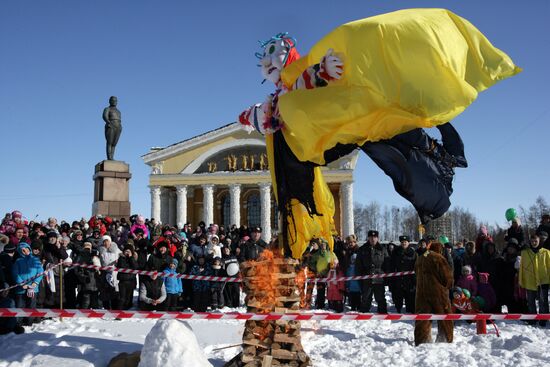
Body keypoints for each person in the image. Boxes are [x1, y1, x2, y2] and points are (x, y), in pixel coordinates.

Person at [414, 242, 454, 346]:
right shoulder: (438, 258)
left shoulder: (421, 257)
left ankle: (422, 340)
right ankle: (445, 338)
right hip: (437, 293)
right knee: (445, 315)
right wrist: (449, 285)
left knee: (423, 318)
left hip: (421, 293)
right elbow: (447, 277)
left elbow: (415, 273)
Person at [518, 233, 550, 326]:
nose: (534, 243)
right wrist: (521, 280)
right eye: (532, 241)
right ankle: (533, 318)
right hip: (530, 280)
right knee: (531, 301)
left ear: (539, 241)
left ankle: (543, 319)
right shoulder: (525, 253)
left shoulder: (546, 252)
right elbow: (522, 267)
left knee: (543, 301)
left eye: (536, 241)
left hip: (543, 280)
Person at [356, 230, 389, 313]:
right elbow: (358, 265)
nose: (373, 239)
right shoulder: (362, 249)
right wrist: (360, 278)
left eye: (374, 237)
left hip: (379, 279)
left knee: (380, 298)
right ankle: (363, 317)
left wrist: (386, 278)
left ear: (377, 238)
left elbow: (387, 264)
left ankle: (383, 316)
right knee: (365, 299)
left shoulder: (382, 249)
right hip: (366, 278)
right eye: (371, 237)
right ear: (368, 238)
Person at [12, 243, 44, 326]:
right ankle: (19, 323)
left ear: (29, 249)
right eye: (22, 250)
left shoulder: (36, 260)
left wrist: (35, 282)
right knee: (20, 305)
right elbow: (15, 273)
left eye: (26, 249)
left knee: (31, 305)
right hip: (21, 289)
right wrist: (21, 283)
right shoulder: (18, 261)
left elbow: (40, 272)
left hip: (33, 287)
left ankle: (29, 322)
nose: (25, 251)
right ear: (20, 251)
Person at [389, 235, 417, 313]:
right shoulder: (396, 252)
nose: (404, 243)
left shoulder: (413, 253)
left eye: (405, 242)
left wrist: (415, 280)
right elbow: (392, 266)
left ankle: (410, 310)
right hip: (398, 279)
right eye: (402, 242)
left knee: (410, 299)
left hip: (409, 280)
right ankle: (398, 309)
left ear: (408, 243)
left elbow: (416, 266)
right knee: (398, 297)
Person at [74, 242, 101, 309]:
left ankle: (94, 315)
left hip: (95, 284)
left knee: (95, 301)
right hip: (87, 283)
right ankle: (83, 314)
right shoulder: (81, 258)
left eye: (89, 248)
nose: (87, 249)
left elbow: (100, 270)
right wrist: (84, 278)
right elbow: (78, 271)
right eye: (86, 247)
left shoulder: (95, 258)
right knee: (86, 301)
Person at [98, 235, 120, 309]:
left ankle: (115, 307)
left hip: (114, 273)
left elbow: (121, 256)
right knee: (105, 291)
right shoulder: (101, 250)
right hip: (104, 272)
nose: (106, 243)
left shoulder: (116, 249)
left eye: (107, 241)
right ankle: (106, 307)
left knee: (114, 290)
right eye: (104, 241)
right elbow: (98, 261)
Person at [116, 244, 138, 310]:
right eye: (126, 251)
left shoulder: (133, 258)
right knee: (122, 298)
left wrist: (131, 257)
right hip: (123, 281)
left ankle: (127, 310)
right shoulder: (121, 258)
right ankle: (120, 310)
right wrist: (125, 257)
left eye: (129, 251)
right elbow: (122, 266)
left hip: (131, 281)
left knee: (129, 298)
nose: (127, 253)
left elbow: (135, 267)